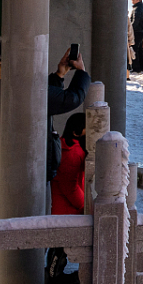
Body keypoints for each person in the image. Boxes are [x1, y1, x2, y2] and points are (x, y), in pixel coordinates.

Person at [44, 112, 87, 284]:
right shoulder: (72, 152)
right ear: (77, 131)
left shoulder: (64, 146)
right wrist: (84, 204)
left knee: (59, 245)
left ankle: (54, 275)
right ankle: (54, 277)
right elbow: (70, 187)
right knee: (59, 247)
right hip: (67, 208)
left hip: (62, 207)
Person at [47, 46, 89, 183]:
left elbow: (48, 97)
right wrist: (82, 72)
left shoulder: (6, 81)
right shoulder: (19, 83)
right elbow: (70, 99)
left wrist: (59, 76)